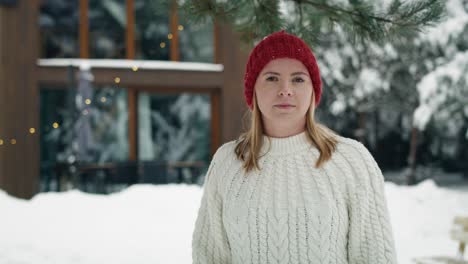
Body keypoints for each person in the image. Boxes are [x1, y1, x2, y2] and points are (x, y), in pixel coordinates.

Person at [191, 30, 397, 264]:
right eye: (272, 78)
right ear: (253, 90)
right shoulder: (227, 162)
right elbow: (210, 256)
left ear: (313, 91)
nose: (285, 89)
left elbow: (375, 256)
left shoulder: (351, 160)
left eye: (298, 79)